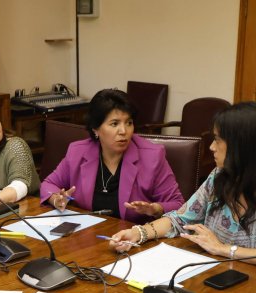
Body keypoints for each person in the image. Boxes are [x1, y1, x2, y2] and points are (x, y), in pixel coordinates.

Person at [110, 101, 256, 272]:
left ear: (242, 145)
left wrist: (223, 249)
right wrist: (138, 233)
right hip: (211, 274)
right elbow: (180, 219)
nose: (211, 147)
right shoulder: (219, 176)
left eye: (217, 139)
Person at [41, 88, 184, 223]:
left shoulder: (152, 156)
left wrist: (156, 209)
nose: (124, 131)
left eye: (129, 123)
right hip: (86, 237)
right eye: (114, 124)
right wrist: (56, 199)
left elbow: (178, 204)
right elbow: (48, 184)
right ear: (95, 129)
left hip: (133, 239)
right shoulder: (77, 152)